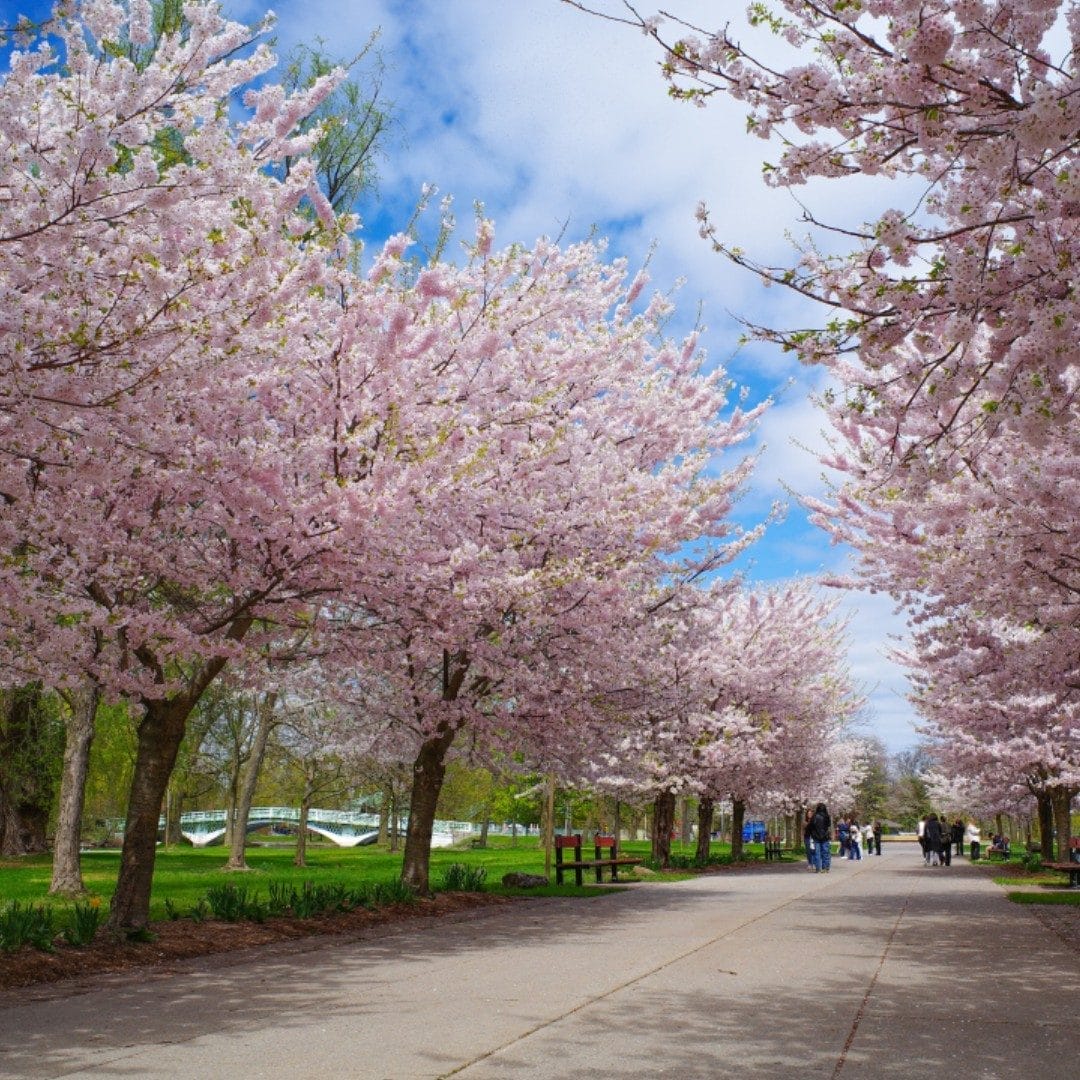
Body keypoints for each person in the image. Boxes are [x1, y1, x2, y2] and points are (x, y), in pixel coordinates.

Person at [810, 802, 832, 873]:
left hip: (816, 837)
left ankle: (818, 868)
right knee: (825, 852)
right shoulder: (827, 816)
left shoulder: (814, 816)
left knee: (817, 853)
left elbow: (811, 826)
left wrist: (813, 834)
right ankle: (825, 868)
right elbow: (828, 826)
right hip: (825, 837)